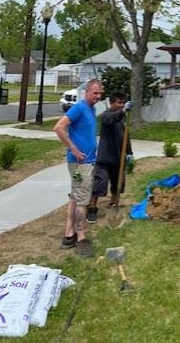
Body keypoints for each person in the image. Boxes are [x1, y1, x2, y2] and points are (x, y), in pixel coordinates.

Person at [53, 78, 104, 258]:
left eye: (100, 94)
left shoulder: (92, 108)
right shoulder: (80, 108)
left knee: (76, 196)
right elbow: (58, 127)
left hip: (86, 161)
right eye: (94, 93)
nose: (98, 97)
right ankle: (81, 237)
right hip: (80, 163)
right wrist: (73, 148)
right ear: (86, 92)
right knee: (83, 201)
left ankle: (68, 235)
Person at [86, 92, 134, 223]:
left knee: (117, 182)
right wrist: (122, 111)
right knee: (100, 183)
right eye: (118, 103)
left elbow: (126, 137)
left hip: (119, 157)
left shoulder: (123, 120)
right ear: (111, 103)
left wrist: (129, 152)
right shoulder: (106, 116)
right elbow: (111, 119)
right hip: (105, 158)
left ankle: (114, 203)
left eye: (123, 103)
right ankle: (92, 208)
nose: (121, 105)